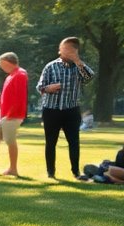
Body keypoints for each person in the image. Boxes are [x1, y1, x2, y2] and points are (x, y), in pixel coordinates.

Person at [36, 37, 95, 180]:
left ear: (75, 51)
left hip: (71, 110)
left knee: (74, 142)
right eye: (64, 48)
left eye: (70, 49)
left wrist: (78, 61)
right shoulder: (51, 66)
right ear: (59, 49)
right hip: (51, 110)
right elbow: (39, 87)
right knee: (51, 142)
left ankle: (76, 172)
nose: (66, 51)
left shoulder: (79, 67)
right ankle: (51, 172)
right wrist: (47, 88)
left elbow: (89, 78)